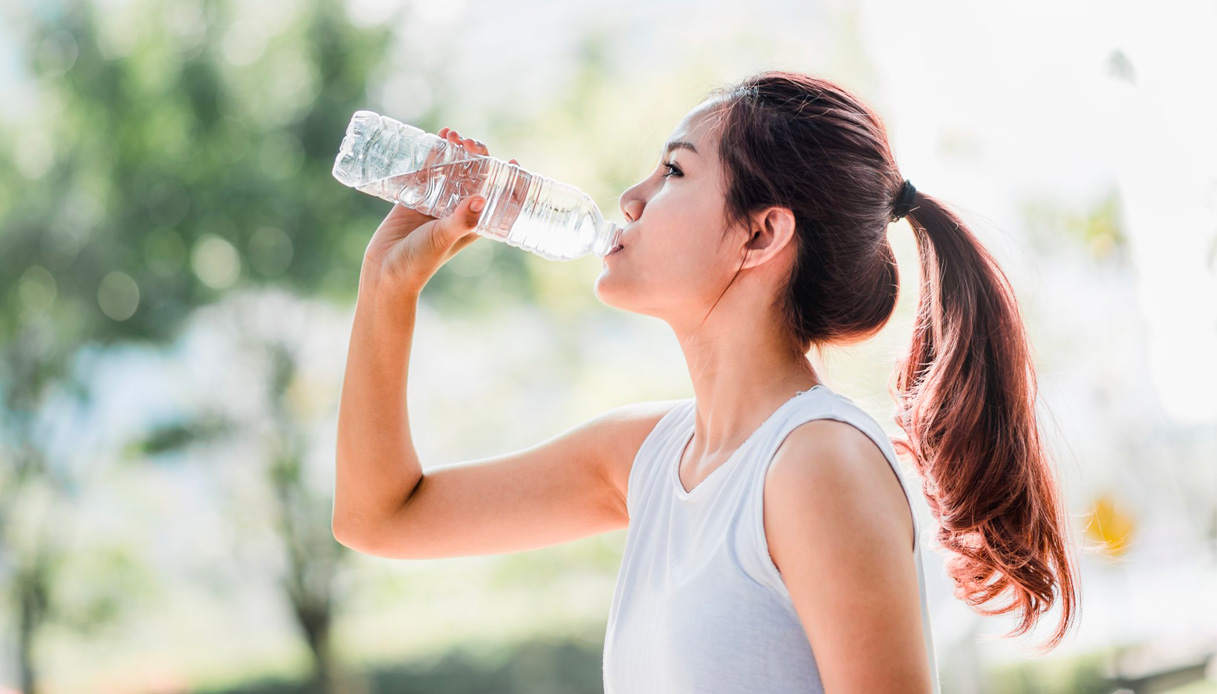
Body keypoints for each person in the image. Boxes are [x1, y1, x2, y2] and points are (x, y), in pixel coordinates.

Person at [333, 70, 1081, 693]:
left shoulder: (817, 465)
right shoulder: (646, 458)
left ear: (760, 234)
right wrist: (387, 286)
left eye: (674, 171)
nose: (630, 197)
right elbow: (381, 517)